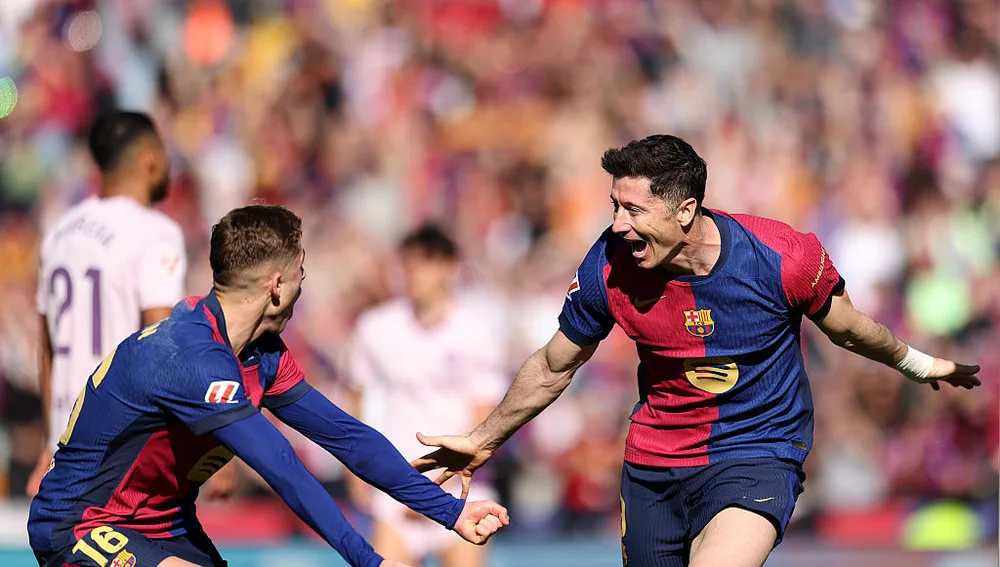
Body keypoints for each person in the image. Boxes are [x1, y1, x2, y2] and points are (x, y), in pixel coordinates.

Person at [411, 135, 981, 567]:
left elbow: (852, 329)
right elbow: (555, 365)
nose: (618, 225)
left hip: (756, 453)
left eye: (633, 210)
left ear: (684, 211)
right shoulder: (608, 265)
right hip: (654, 469)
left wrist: (922, 363)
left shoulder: (781, 257)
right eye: (615, 206)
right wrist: (484, 439)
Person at [27, 205, 509, 567]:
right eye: (302, 270)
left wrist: (450, 512)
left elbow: (347, 436)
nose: (305, 282)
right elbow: (284, 469)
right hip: (83, 522)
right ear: (277, 284)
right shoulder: (191, 358)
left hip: (165, 523)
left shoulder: (263, 354)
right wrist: (370, 561)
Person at [28, 110, 201, 497]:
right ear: (150, 158)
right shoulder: (156, 232)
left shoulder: (58, 231)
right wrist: (198, 441)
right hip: (123, 443)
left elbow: (47, 347)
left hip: (65, 442)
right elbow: (162, 344)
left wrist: (49, 439)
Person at [343, 225, 508, 567]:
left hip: (462, 485)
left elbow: (484, 416)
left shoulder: (476, 332)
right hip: (396, 482)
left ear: (448, 266)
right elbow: (355, 397)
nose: (414, 274)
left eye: (425, 264)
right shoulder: (376, 327)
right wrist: (354, 470)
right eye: (409, 264)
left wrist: (434, 491)